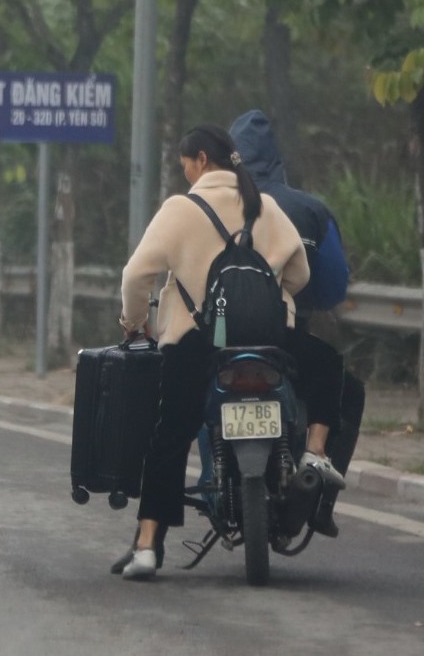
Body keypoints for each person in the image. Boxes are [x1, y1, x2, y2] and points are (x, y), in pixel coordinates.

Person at [113, 124, 344, 581]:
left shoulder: (181, 209)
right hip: (269, 341)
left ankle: (146, 545)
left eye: (186, 167)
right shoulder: (265, 205)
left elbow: (135, 275)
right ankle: (315, 451)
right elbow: (297, 272)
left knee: (171, 434)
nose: (187, 177)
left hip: (199, 344)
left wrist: (133, 320)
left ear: (200, 160)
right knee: (328, 366)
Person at [230, 109, 362, 537]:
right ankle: (321, 501)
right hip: (285, 336)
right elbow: (332, 289)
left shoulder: (206, 204)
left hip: (218, 337)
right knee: (346, 388)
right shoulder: (309, 209)